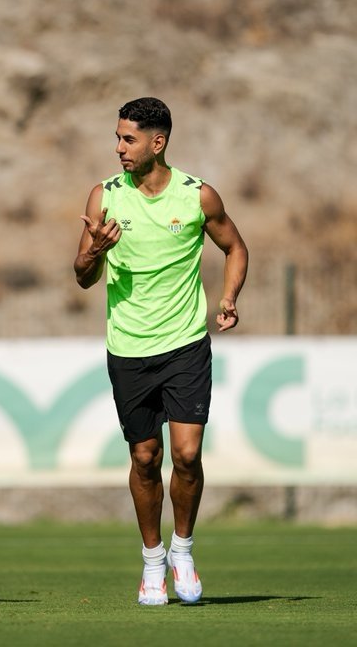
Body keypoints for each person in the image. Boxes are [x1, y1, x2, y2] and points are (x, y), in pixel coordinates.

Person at [74, 97, 247, 605]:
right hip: (128, 349)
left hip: (186, 345)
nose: (119, 148)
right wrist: (94, 251)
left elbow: (236, 247)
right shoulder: (102, 197)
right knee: (145, 458)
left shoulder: (199, 197)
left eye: (128, 139)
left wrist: (229, 296)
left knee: (187, 456)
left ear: (158, 142)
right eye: (117, 137)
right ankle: (152, 562)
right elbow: (83, 277)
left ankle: (183, 551)